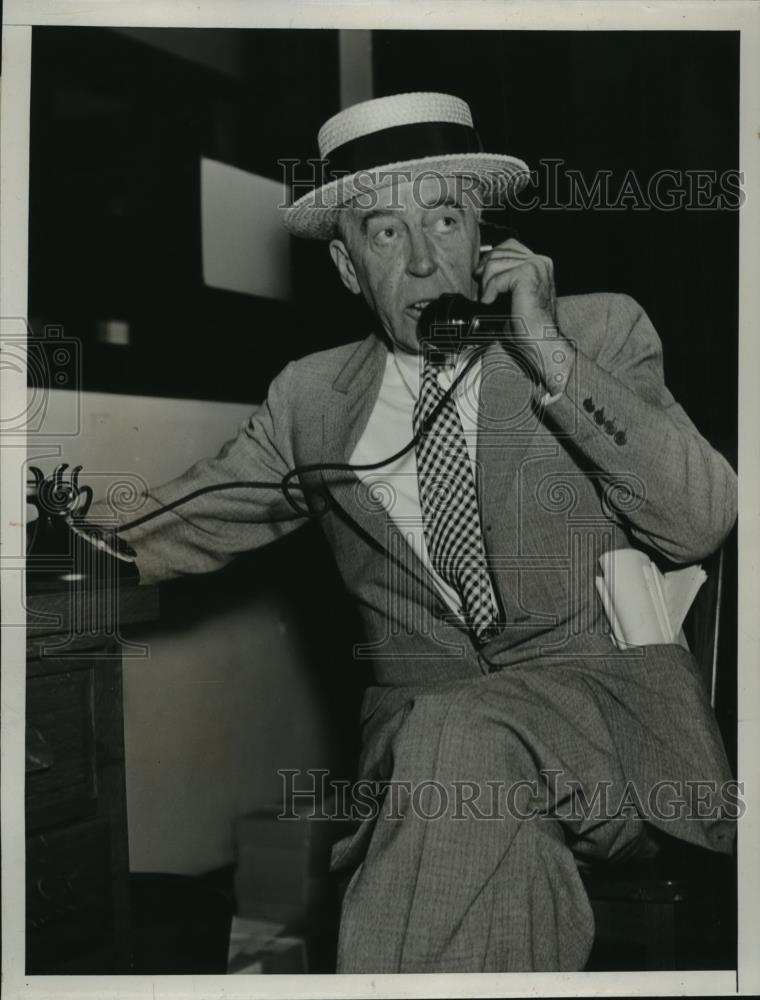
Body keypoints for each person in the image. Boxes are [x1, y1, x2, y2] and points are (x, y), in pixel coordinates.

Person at [104, 92, 737, 972]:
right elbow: (185, 516)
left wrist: (548, 353)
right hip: (438, 778)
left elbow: (703, 518)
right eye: (385, 232)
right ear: (348, 268)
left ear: (485, 238)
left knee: (455, 743)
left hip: (612, 744)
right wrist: (51, 543)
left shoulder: (598, 331)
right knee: (474, 793)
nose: (426, 257)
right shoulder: (312, 397)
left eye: (445, 218)